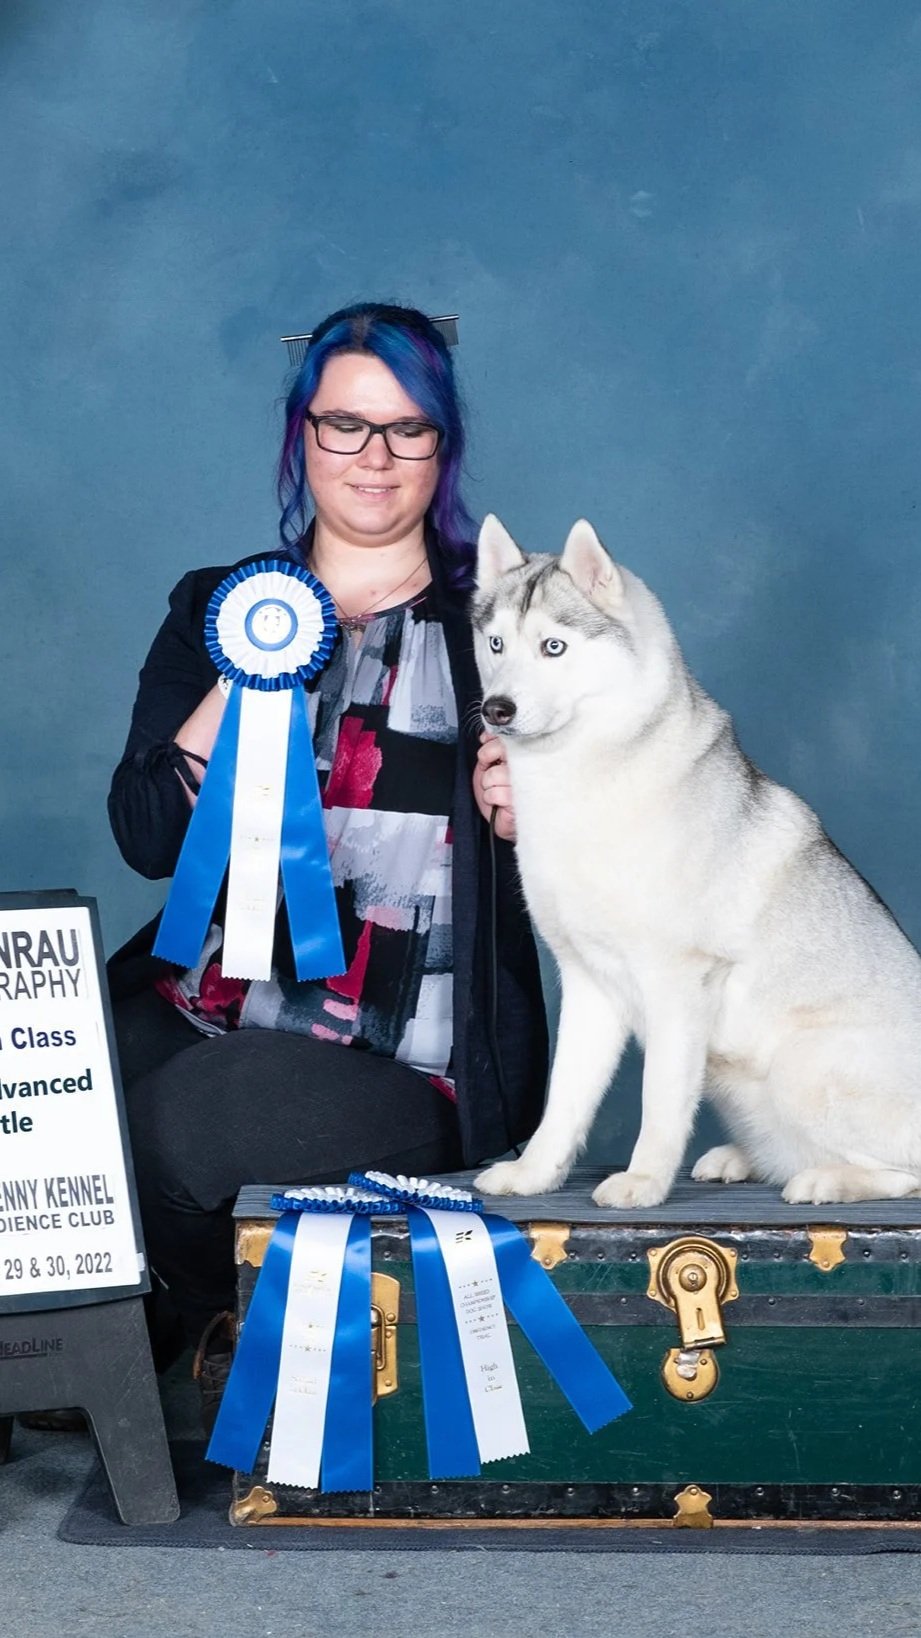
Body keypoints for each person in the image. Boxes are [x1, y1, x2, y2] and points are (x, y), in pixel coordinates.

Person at [105, 302, 548, 1422]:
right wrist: (247, 664)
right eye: (346, 425)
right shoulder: (216, 606)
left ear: (443, 448)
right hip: (213, 1002)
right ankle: (120, 1338)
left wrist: (534, 820)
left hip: (403, 1048)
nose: (375, 458)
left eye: (409, 431)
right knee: (45, 1082)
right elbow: (148, 838)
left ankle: (201, 1313)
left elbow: (621, 847)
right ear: (301, 433)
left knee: (177, 1130)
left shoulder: (499, 622)